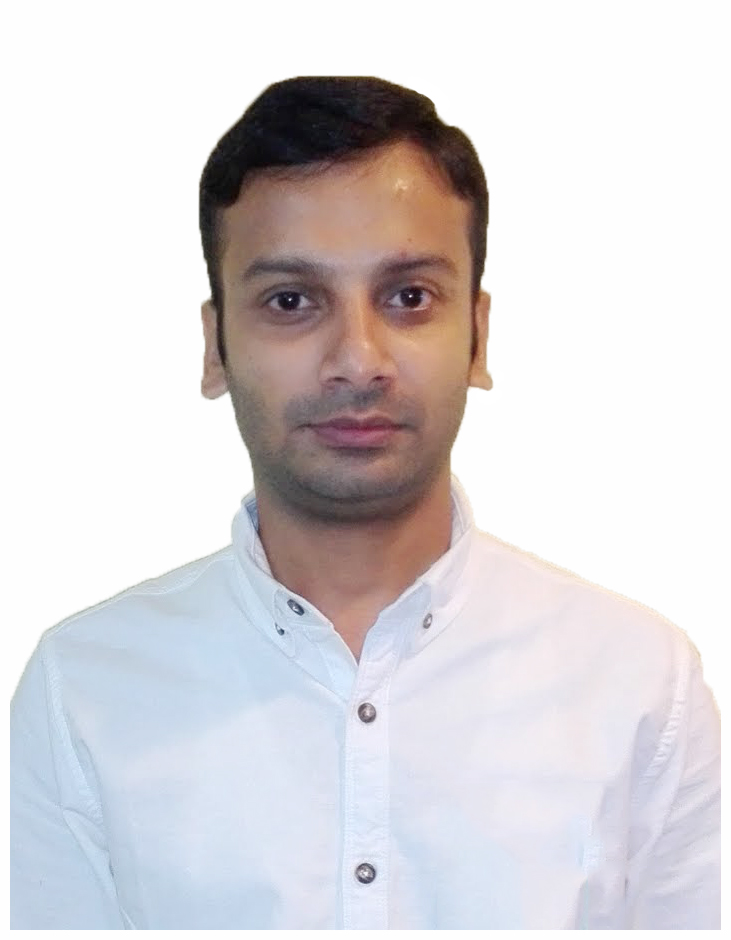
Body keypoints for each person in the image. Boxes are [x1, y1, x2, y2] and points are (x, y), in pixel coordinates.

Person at [10, 75, 720, 930]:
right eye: (291, 301)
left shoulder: (638, 681)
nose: (357, 360)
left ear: (477, 336)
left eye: (408, 297)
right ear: (214, 346)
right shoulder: (85, 687)